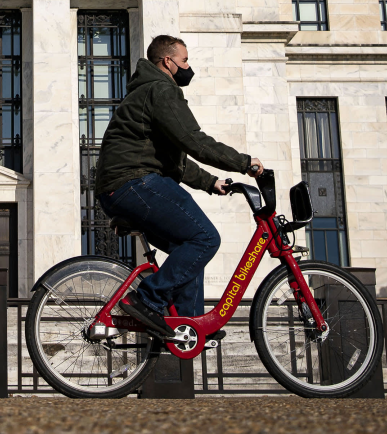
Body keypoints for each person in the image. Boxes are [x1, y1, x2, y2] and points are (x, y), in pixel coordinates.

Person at [94, 34, 263, 338]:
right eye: (184, 60)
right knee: (205, 238)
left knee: (190, 248)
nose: (188, 67)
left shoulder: (146, 92)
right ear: (168, 62)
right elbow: (193, 141)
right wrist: (245, 163)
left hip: (120, 186)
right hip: (133, 181)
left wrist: (211, 182)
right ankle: (147, 299)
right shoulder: (161, 90)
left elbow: (175, 160)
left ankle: (187, 326)